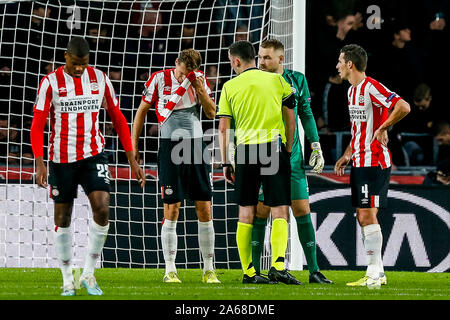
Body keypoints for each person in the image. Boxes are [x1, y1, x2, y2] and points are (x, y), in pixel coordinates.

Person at [30, 37, 145, 296]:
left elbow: (117, 118)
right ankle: (67, 277)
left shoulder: (100, 79)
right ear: (65, 57)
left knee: (102, 210)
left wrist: (132, 159)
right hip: (61, 160)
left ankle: (89, 273)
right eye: (75, 64)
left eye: (84, 63)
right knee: (63, 218)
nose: (80, 68)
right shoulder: (50, 83)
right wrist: (40, 162)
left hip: (94, 156)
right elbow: (37, 125)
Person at [131, 48, 220, 284]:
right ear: (176, 63)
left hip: (196, 146)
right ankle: (170, 269)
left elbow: (211, 113)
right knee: (172, 209)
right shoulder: (159, 79)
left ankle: (209, 269)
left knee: (204, 207)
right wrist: (134, 146)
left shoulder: (199, 80)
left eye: (188, 73)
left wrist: (199, 88)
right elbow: (141, 112)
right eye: (182, 72)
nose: (183, 77)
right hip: (170, 146)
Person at [217, 40, 301, 285]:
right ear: (255, 57)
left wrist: (225, 162)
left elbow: (224, 128)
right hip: (273, 148)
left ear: (236, 61)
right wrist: (287, 146)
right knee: (280, 209)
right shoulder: (277, 81)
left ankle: (249, 272)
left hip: (244, 152)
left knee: (246, 212)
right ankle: (277, 266)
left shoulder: (230, 87)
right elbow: (290, 117)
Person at [252, 39, 332, 284]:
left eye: (267, 57)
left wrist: (315, 145)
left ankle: (314, 271)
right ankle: (255, 272)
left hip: (294, 158)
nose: (262, 62)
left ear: (280, 59)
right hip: (266, 157)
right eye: (260, 57)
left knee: (301, 210)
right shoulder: (255, 82)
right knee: (262, 211)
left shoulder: (297, 80)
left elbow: (306, 114)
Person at [334, 44, 410, 288]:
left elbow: (403, 106)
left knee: (367, 214)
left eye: (340, 61)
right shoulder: (351, 92)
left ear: (350, 65)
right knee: (362, 214)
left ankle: (373, 273)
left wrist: (383, 126)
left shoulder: (371, 87)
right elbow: (358, 130)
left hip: (374, 160)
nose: (337, 66)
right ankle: (378, 271)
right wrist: (347, 154)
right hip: (360, 160)